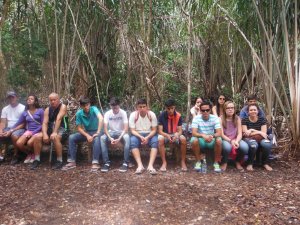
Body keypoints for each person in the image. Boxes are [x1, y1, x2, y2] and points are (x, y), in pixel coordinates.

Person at [62, 97, 103, 171]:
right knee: (72, 137)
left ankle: (95, 162)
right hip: (88, 132)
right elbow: (79, 128)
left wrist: (98, 132)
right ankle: (72, 161)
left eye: (88, 105)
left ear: (90, 104)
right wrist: (87, 135)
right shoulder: (79, 113)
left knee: (96, 138)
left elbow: (101, 118)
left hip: (98, 131)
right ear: (81, 106)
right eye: (84, 106)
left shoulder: (94, 109)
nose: (86, 107)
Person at [10, 95, 44, 169]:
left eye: (31, 99)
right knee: (19, 143)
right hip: (28, 131)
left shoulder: (40, 111)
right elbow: (18, 123)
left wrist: (33, 132)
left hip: (39, 131)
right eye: (28, 99)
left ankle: (36, 158)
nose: (29, 100)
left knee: (29, 143)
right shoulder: (25, 112)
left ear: (35, 101)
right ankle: (30, 153)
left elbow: (43, 124)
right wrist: (10, 130)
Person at [38, 93, 68, 170]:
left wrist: (54, 132)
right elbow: (44, 123)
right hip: (50, 128)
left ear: (58, 99)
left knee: (55, 137)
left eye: (54, 100)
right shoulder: (48, 109)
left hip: (62, 128)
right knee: (37, 137)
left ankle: (59, 160)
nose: (53, 102)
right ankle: (36, 159)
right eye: (51, 100)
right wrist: (44, 134)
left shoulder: (63, 107)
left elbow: (58, 119)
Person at [190, 101, 222, 173]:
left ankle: (216, 163)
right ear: (200, 110)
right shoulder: (196, 118)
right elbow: (194, 133)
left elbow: (219, 133)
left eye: (207, 110)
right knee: (194, 140)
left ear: (210, 110)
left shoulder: (214, 118)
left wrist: (211, 136)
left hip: (211, 138)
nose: (205, 112)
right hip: (201, 139)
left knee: (219, 140)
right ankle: (198, 161)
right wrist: (203, 135)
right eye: (203, 110)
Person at [129, 98, 158, 175]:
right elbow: (132, 130)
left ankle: (150, 165)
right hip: (137, 134)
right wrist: (141, 137)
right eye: (140, 107)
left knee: (155, 141)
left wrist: (147, 137)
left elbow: (154, 130)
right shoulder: (133, 115)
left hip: (149, 134)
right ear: (137, 108)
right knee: (133, 141)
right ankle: (140, 165)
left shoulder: (151, 115)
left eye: (144, 106)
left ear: (147, 107)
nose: (142, 109)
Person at [100, 97, 130, 173]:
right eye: (113, 108)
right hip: (111, 132)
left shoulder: (123, 112)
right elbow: (105, 129)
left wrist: (119, 138)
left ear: (119, 105)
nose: (115, 110)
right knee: (102, 138)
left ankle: (125, 162)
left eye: (116, 108)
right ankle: (106, 162)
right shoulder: (107, 113)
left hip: (121, 132)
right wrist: (110, 138)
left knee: (127, 137)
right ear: (110, 106)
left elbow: (126, 128)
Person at [158, 98, 187, 172]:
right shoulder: (162, 115)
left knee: (183, 139)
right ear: (165, 108)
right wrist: (167, 135)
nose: (170, 110)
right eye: (168, 108)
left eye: (172, 108)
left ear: (174, 107)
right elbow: (160, 131)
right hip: (165, 134)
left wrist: (176, 135)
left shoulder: (178, 116)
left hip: (175, 134)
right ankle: (164, 162)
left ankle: (183, 161)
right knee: (160, 139)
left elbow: (180, 131)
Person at [242, 104, 272, 171]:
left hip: (261, 138)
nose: (253, 111)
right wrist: (259, 132)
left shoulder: (262, 119)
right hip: (249, 138)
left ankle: (265, 163)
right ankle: (250, 163)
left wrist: (252, 130)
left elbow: (263, 133)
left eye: (254, 110)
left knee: (266, 144)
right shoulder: (244, 120)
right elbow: (246, 134)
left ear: (258, 111)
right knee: (253, 145)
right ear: (248, 112)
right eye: (251, 110)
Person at [220, 101, 249, 171]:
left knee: (245, 147)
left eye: (232, 108)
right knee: (227, 147)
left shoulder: (237, 118)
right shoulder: (220, 119)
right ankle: (224, 162)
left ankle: (238, 161)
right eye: (228, 108)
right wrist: (230, 141)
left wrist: (236, 141)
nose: (230, 109)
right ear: (224, 109)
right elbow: (221, 134)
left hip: (236, 139)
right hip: (225, 139)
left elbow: (240, 133)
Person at [0, 91, 25, 163]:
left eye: (13, 97)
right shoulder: (5, 109)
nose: (11, 99)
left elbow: (24, 124)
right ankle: (1, 155)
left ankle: (16, 155)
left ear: (17, 97)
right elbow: (3, 122)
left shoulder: (22, 108)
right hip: (9, 127)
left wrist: (11, 131)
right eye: (9, 97)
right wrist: (1, 130)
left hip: (20, 127)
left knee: (14, 135)